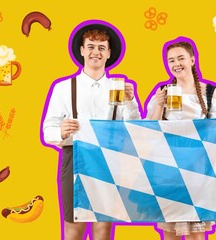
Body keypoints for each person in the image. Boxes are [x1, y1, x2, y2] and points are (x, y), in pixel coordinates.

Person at [41, 20, 141, 240]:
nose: (96, 52)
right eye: (91, 46)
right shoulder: (63, 88)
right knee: (73, 229)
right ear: (82, 50)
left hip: (109, 161)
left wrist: (132, 102)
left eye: (101, 47)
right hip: (75, 158)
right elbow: (47, 130)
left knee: (102, 230)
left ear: (109, 53)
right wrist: (61, 131)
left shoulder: (120, 87)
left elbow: (135, 128)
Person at [145, 37, 216, 240]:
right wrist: (159, 105)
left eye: (181, 58)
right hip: (168, 168)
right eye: (171, 60)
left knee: (196, 235)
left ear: (192, 60)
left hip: (198, 169)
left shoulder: (209, 92)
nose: (176, 64)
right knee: (170, 233)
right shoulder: (162, 92)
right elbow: (149, 131)